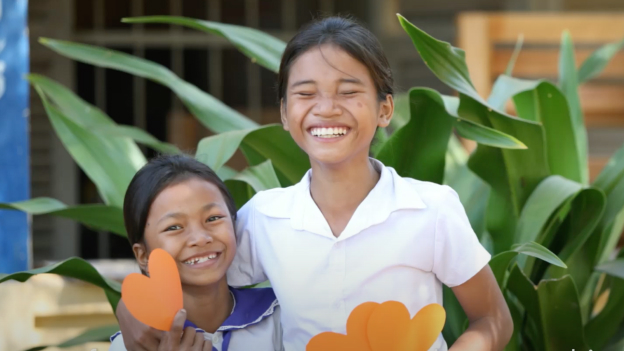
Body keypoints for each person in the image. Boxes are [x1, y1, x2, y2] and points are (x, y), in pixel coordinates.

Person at [117, 16, 513, 351]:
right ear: (286, 114)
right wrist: (129, 314)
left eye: (349, 91)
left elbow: (493, 318)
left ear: (385, 109)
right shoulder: (264, 217)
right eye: (306, 94)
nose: (326, 108)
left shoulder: (432, 208)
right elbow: (196, 275)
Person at [110, 155, 283, 351]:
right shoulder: (137, 344)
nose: (200, 238)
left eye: (213, 218)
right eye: (174, 227)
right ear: (143, 256)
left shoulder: (282, 317)